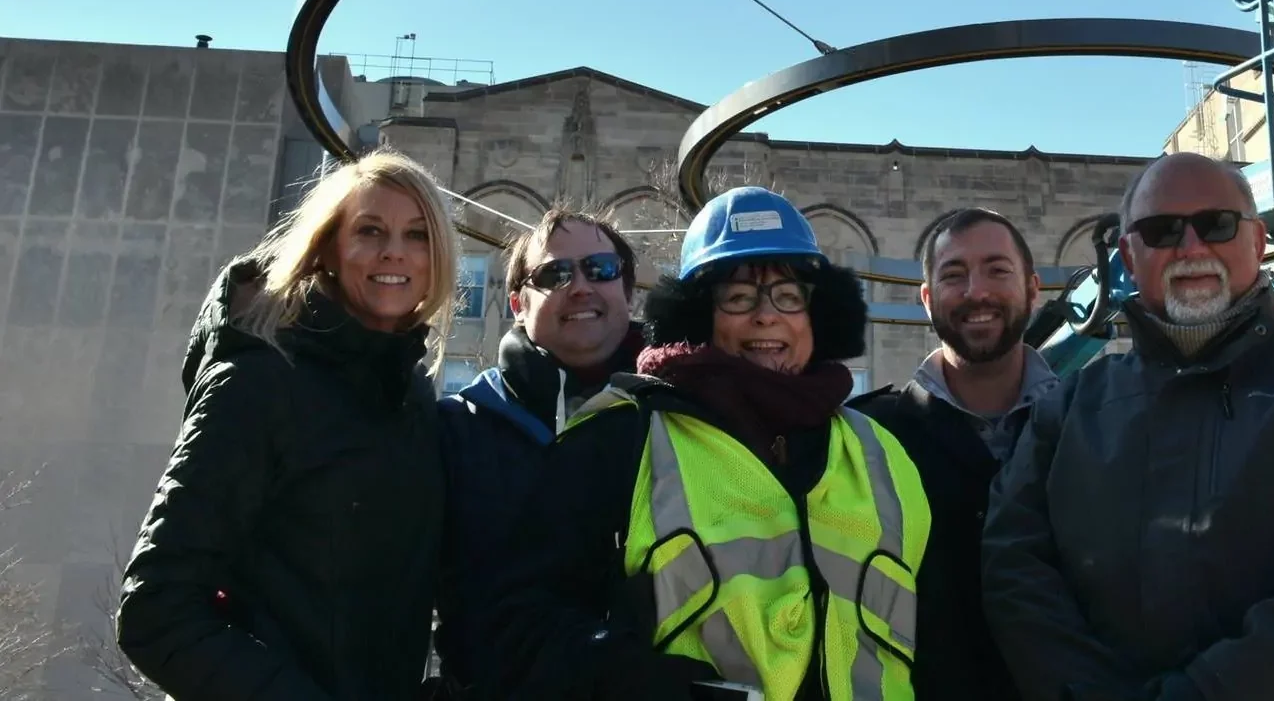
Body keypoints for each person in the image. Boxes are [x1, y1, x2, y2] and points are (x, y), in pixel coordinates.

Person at [983, 151, 1274, 700]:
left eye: (1216, 225)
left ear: (1258, 242)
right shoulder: (1068, 411)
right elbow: (1016, 571)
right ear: (1129, 259)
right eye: (1162, 231)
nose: (1191, 247)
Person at [487, 186, 931, 700]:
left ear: (817, 316)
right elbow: (522, 624)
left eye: (789, 296)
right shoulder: (623, 438)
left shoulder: (881, 452)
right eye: (738, 297)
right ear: (700, 316)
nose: (767, 316)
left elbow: (938, 637)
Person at [117, 149, 458, 700]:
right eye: (370, 230)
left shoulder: (413, 396)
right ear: (326, 246)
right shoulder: (257, 382)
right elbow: (156, 611)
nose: (395, 251)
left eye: (418, 235)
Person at [431, 207, 648, 698]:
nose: (581, 286)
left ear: (628, 293)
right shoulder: (459, 428)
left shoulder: (677, 418)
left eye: (602, 269)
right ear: (518, 304)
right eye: (555, 273)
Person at [853, 208, 1059, 700]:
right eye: (953, 275)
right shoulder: (868, 438)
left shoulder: (1091, 428)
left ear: (1033, 289)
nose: (976, 292)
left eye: (997, 270)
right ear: (927, 299)